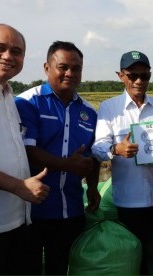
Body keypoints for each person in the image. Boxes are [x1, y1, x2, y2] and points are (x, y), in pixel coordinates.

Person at [14, 41, 100, 274]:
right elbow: (26, 150)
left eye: (76, 68)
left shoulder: (89, 111)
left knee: (61, 268)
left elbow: (92, 156)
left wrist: (93, 188)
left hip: (71, 208)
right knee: (28, 267)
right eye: (63, 67)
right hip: (31, 210)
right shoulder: (26, 102)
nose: (70, 74)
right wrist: (67, 165)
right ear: (46, 67)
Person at [0, 23, 50, 275]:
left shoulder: (7, 94)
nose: (8, 56)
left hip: (18, 222)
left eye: (16, 51)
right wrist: (18, 186)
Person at [92, 50, 153, 275]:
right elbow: (97, 148)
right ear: (121, 75)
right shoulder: (108, 109)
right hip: (130, 200)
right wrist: (116, 149)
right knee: (135, 258)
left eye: (145, 75)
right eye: (133, 75)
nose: (139, 81)